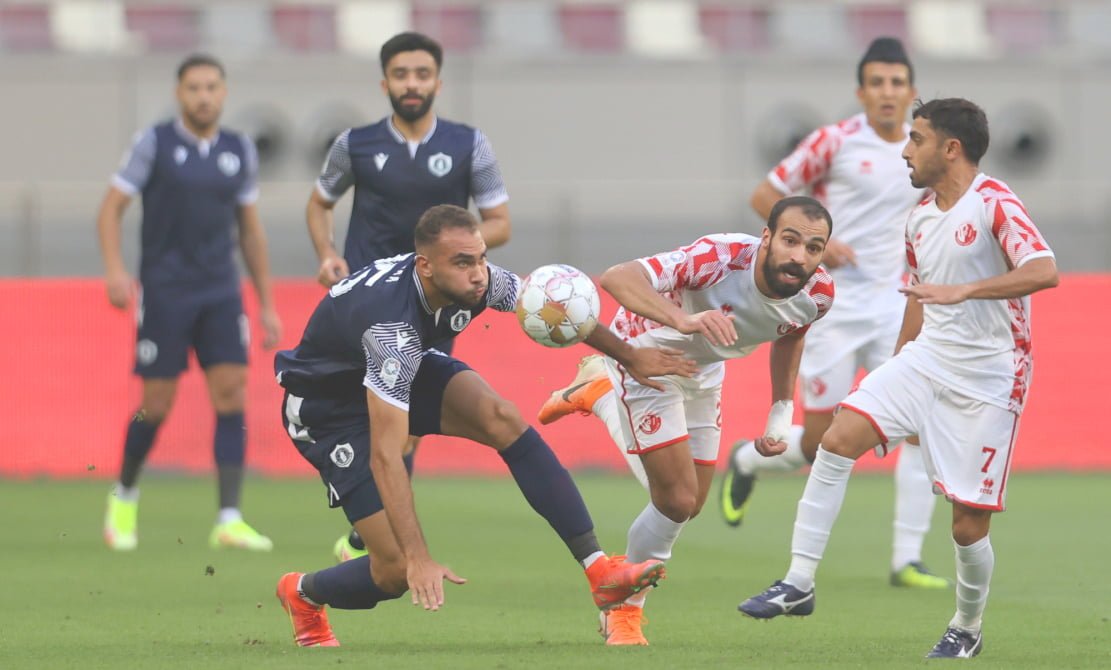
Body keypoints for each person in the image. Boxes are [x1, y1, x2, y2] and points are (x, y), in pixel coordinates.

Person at [273, 204, 696, 647]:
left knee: (502, 417)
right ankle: (303, 593)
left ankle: (599, 570)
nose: (478, 275)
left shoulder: (482, 282)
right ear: (426, 267)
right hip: (328, 411)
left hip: (395, 372)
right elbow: (386, 454)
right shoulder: (390, 329)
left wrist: (630, 356)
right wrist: (419, 557)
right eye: (463, 263)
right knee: (394, 571)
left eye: (480, 258)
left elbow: (552, 306)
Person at [737, 98, 1058, 660]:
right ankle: (799, 582)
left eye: (917, 139)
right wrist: (896, 368)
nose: (906, 151)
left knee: (967, 528)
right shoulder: (919, 217)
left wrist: (965, 291)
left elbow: (1043, 269)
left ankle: (967, 626)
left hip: (989, 375)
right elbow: (917, 298)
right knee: (837, 438)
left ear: (950, 149)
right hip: (927, 358)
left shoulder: (995, 204)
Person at [539, 197, 836, 645]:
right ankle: (623, 610)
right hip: (646, 354)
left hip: (704, 368)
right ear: (767, 237)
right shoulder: (718, 258)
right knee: (675, 502)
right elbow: (618, 277)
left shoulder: (818, 293)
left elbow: (791, 334)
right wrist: (683, 319)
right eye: (790, 241)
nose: (800, 256)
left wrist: (780, 412)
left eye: (813, 248)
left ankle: (598, 394)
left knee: (690, 502)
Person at [715, 37, 948, 590]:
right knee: (822, 440)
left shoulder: (924, 150)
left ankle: (907, 559)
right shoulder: (835, 141)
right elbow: (765, 195)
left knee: (920, 423)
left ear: (911, 92)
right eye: (877, 83)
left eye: (897, 83)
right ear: (861, 92)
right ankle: (748, 460)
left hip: (895, 307)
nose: (887, 92)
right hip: (832, 309)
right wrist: (820, 245)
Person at [305, 31, 511, 563]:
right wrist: (327, 254)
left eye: (422, 74)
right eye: (401, 75)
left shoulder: (470, 145)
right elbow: (319, 203)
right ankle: (369, 526)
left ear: (438, 82)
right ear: (385, 84)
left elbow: (499, 221)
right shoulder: (354, 145)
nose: (412, 84)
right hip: (366, 309)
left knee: (405, 427)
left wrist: (460, 255)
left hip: (434, 307)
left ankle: (368, 536)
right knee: (369, 416)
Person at [97, 54, 282, 551]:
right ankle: (124, 496)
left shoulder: (239, 149)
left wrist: (266, 302)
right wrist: (115, 270)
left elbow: (250, 231)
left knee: (232, 395)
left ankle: (229, 518)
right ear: (179, 94)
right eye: (194, 87)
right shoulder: (154, 144)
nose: (204, 96)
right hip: (166, 290)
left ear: (224, 93)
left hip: (220, 290)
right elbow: (111, 209)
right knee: (155, 405)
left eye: (212, 87)